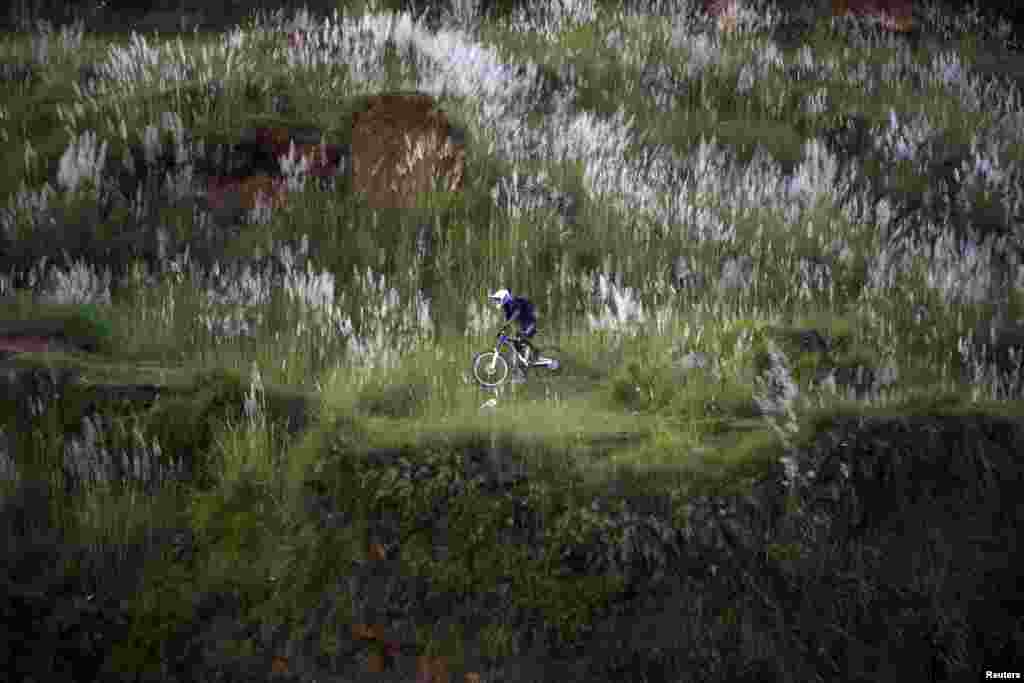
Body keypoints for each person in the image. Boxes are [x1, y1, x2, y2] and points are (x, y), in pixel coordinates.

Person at [488, 288, 537, 361]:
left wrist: (506, 324)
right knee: (517, 341)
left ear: (504, 297)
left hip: (530, 322)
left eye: (498, 299)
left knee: (523, 335)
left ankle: (536, 351)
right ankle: (524, 360)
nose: (497, 301)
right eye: (496, 300)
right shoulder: (506, 307)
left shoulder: (515, 302)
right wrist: (502, 330)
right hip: (523, 323)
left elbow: (516, 314)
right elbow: (508, 320)